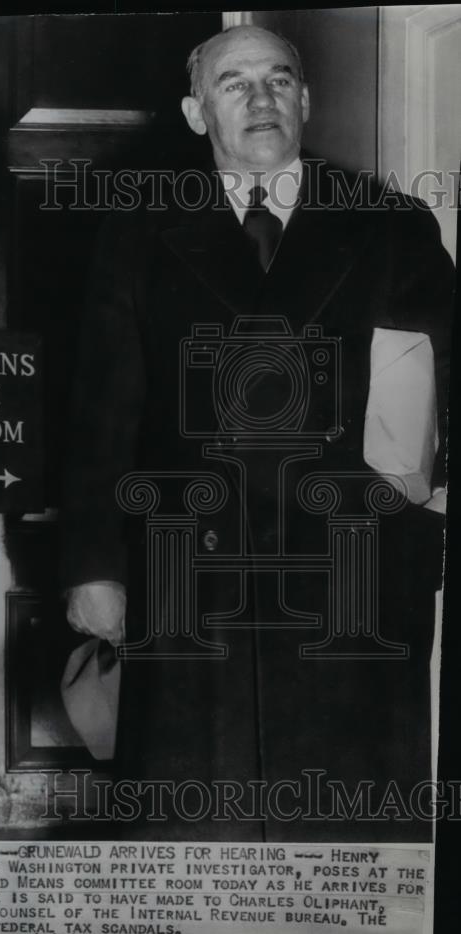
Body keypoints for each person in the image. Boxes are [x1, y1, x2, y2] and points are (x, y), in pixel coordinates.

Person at [59, 26, 455, 840]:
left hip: (353, 571)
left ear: (305, 100)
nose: (261, 99)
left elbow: (438, 387)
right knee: (194, 820)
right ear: (196, 112)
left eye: (278, 80)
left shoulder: (388, 225)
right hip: (190, 567)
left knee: (347, 828)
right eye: (234, 84)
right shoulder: (136, 234)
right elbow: (102, 411)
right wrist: (94, 565)